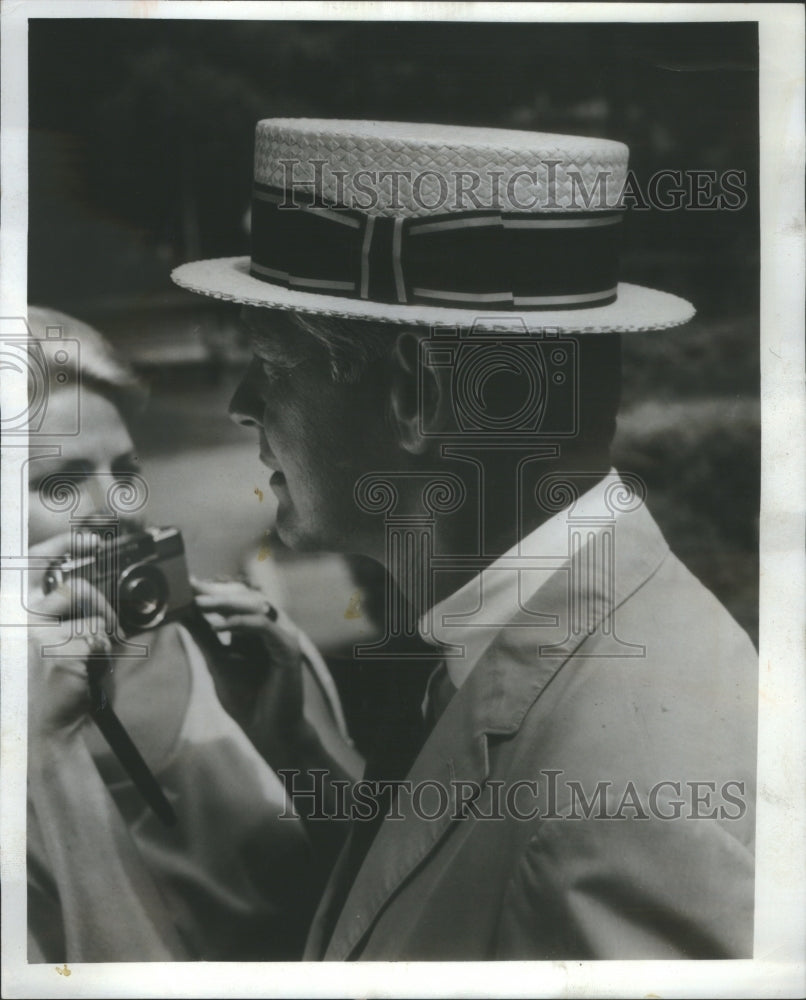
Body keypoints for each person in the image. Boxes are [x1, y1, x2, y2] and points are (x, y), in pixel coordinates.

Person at [170, 118, 758, 961]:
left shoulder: (611, 813)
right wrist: (297, 750)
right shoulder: (535, 650)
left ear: (415, 392)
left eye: (271, 361)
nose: (241, 400)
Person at [25, 305, 362, 962]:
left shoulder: (233, 646)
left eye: (125, 470)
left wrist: (293, 747)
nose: (117, 508)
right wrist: (44, 753)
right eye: (60, 484)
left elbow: (404, 894)